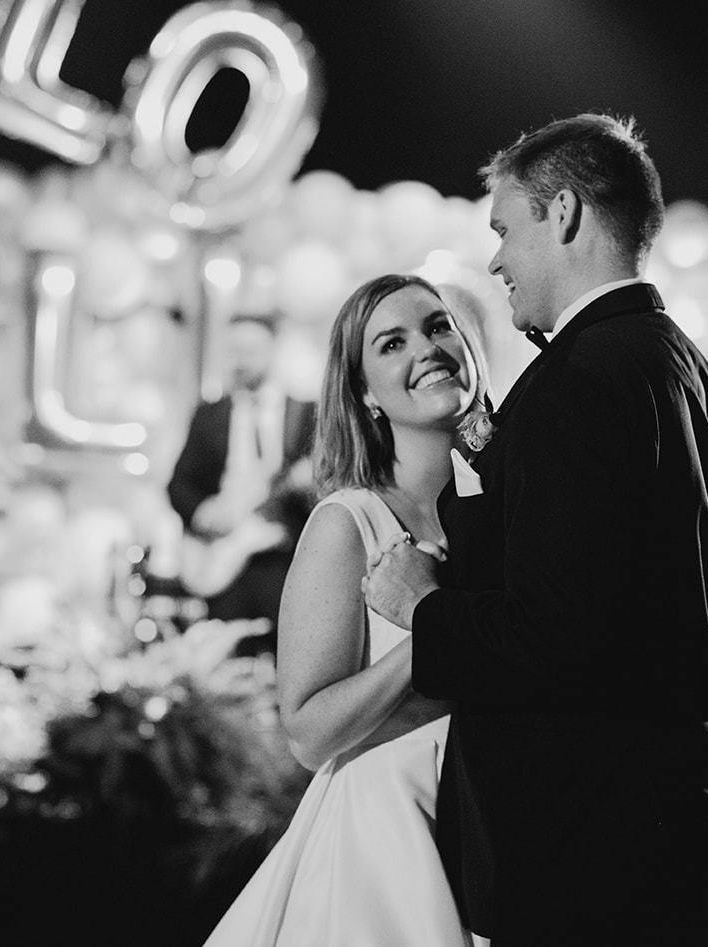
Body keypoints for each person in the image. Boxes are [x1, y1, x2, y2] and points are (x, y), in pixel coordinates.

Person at [364, 113, 708, 944]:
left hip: (593, 858)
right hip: (688, 825)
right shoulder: (687, 368)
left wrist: (422, 605)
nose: (496, 260)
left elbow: (552, 635)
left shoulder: (577, 382)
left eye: (505, 228)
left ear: (566, 213)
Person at [203, 274, 485, 946]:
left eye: (438, 326)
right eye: (392, 343)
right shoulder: (348, 523)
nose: (427, 348)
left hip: (487, 829)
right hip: (385, 844)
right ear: (365, 393)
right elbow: (307, 731)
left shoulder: (500, 505)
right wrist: (432, 634)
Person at [166, 312, 316, 656]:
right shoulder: (210, 414)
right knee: (224, 654)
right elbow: (179, 485)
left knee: (286, 651)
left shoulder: (308, 414)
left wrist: (309, 484)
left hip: (283, 557)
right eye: (234, 351)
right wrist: (202, 512)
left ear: (273, 351)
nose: (241, 361)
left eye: (251, 351)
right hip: (223, 557)